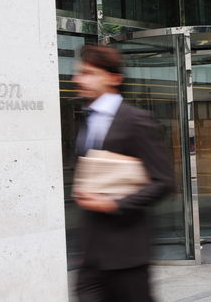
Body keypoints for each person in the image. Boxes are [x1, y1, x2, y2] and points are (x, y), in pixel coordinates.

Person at [72, 44, 174, 302]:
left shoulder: (137, 120)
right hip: (91, 257)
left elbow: (164, 182)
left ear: (114, 78)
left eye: (88, 72)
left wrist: (113, 204)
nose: (79, 79)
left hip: (127, 256)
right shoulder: (86, 119)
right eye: (80, 72)